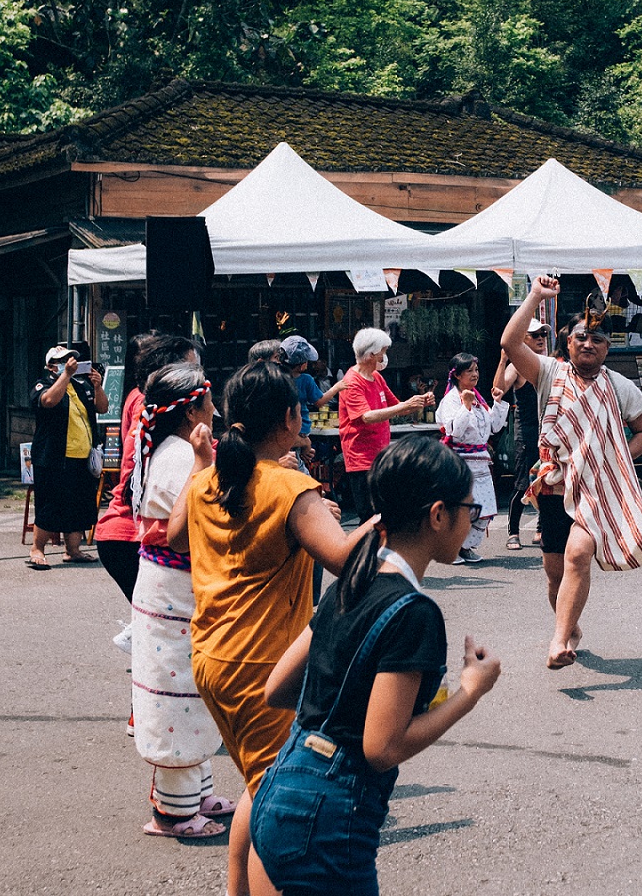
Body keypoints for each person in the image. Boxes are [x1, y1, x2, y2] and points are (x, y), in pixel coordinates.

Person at [247, 438, 502, 896]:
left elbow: (277, 689)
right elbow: (382, 748)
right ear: (438, 515)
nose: (473, 520)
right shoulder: (415, 614)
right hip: (328, 815)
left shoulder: (351, 583)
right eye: (471, 508)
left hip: (280, 788)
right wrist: (470, 692)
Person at [183, 362, 366, 896]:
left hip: (212, 654)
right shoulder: (290, 486)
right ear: (289, 418)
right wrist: (388, 519)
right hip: (260, 663)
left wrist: (201, 464)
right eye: (301, 410)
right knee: (279, 803)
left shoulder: (208, 481)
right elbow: (344, 559)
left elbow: (172, 534)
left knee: (260, 784)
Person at [500, 275, 642, 670]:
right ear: (568, 343)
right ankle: (570, 626)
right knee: (554, 574)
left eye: (597, 339)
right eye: (581, 337)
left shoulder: (620, 386)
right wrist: (535, 295)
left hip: (597, 491)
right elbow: (510, 343)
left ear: (606, 348)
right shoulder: (549, 373)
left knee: (578, 556)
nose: (588, 344)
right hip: (554, 487)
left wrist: (615, 459)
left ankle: (558, 640)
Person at [128, 364, 234, 840]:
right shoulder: (179, 458)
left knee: (192, 692)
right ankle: (172, 814)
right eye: (208, 401)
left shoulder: (175, 450)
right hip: (173, 588)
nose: (215, 408)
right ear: (192, 411)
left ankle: (196, 795)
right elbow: (193, 521)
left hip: (174, 587)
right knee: (178, 696)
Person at [95, 334, 200, 606]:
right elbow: (135, 466)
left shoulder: (156, 414)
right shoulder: (150, 410)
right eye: (190, 367)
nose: (198, 375)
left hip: (129, 531)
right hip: (130, 533)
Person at [335, 327, 433, 527]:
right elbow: (366, 417)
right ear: (372, 354)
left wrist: (419, 401)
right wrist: (404, 406)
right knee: (370, 518)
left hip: (381, 456)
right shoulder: (351, 382)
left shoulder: (376, 377)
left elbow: (397, 407)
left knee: (386, 514)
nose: (385, 356)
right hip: (361, 459)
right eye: (383, 351)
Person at [27, 344, 108, 569]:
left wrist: (98, 386)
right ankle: (37, 549)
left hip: (82, 457)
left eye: (70, 359)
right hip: (53, 457)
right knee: (50, 504)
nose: (68, 363)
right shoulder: (43, 384)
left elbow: (102, 408)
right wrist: (65, 376)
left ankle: (73, 550)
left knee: (79, 504)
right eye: (62, 360)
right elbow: (48, 401)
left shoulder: (81, 387)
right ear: (50, 366)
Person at [436, 351, 511, 564]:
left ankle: (466, 547)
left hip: (481, 460)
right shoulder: (451, 400)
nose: (475, 374)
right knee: (461, 509)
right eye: (469, 371)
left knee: (484, 509)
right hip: (459, 462)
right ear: (457, 374)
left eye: (476, 370)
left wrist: (497, 402)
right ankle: (450, 548)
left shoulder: (478, 398)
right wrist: (466, 406)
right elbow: (454, 431)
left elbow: (494, 427)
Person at [491, 318, 551, 549]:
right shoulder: (516, 366)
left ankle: (541, 529)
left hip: (549, 430)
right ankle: (513, 532)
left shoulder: (550, 364)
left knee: (547, 480)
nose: (540, 339)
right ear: (523, 339)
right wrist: (503, 360)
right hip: (526, 431)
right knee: (522, 482)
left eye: (543, 335)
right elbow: (498, 390)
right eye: (535, 335)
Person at [282, 335, 330, 467]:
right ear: (303, 365)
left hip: (285, 432)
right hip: (300, 430)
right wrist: (337, 388)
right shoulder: (306, 379)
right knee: (297, 466)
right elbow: (319, 402)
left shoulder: (277, 377)